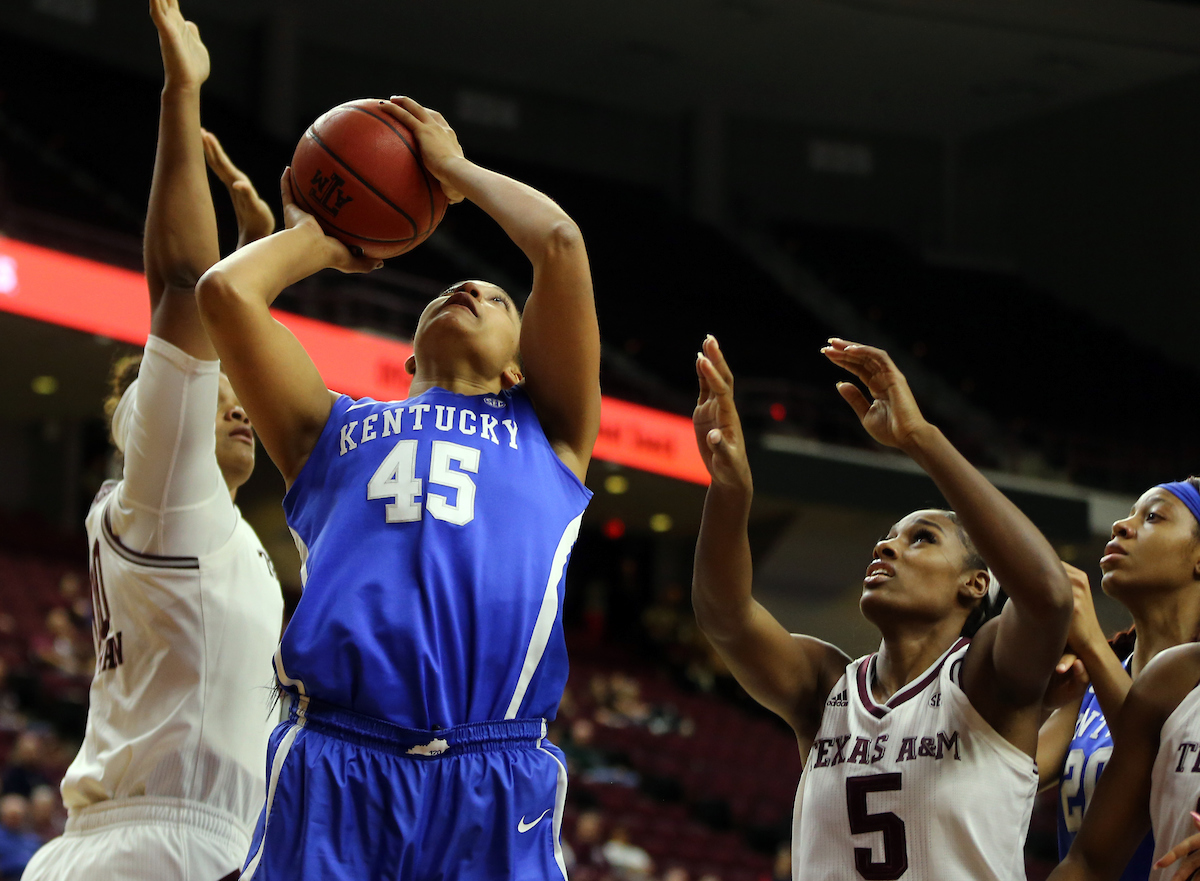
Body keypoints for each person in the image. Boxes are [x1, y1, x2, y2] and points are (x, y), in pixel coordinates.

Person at [195, 96, 600, 879]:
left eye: (497, 296)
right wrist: (316, 237)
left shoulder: (546, 430)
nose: (470, 290)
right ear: (408, 360)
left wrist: (453, 171)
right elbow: (225, 294)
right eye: (450, 290)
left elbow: (558, 241)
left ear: (521, 365)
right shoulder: (329, 428)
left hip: (495, 767)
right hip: (338, 756)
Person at [21, 1, 283, 878]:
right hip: (153, 850)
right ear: (157, 417)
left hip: (187, 846)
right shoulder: (170, 485)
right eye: (216, 391)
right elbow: (181, 283)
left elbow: (214, 320)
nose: (238, 403)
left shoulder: (214, 525)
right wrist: (183, 94)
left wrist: (256, 264)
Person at [690, 335, 1072, 880]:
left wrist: (919, 438)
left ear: (973, 584)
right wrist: (730, 489)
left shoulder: (984, 677)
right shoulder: (826, 685)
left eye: (922, 538)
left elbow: (1049, 596)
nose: (886, 546)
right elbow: (723, 616)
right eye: (889, 536)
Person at [1038, 476, 1200, 879]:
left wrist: (1090, 640)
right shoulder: (1087, 686)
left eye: (1153, 517)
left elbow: (1154, 763)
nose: (1121, 526)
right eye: (1128, 515)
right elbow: (1000, 773)